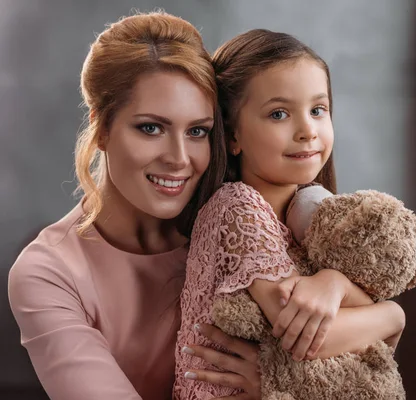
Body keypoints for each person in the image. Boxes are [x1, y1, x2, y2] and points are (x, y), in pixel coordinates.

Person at [7, 12, 260, 400]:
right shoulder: (49, 272)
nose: (179, 158)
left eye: (197, 131)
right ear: (102, 128)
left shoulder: (239, 229)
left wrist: (388, 314)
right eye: (151, 128)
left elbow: (366, 330)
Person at [174, 29, 406, 399]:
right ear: (233, 135)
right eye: (279, 114)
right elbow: (306, 339)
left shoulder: (313, 216)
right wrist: (393, 316)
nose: (307, 131)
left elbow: (350, 355)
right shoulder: (237, 206)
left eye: (318, 110)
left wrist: (333, 283)